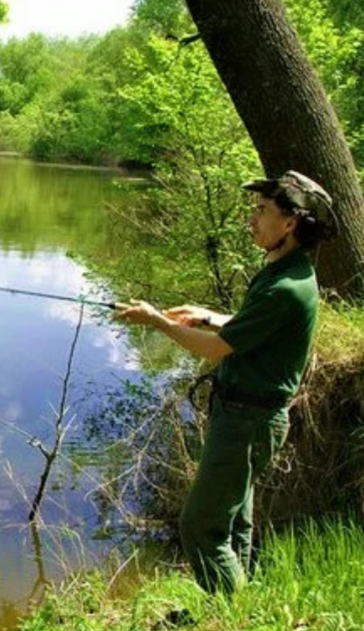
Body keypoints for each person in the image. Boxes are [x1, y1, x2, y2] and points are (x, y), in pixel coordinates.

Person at [113, 170, 335, 593]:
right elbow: (250, 329)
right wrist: (208, 316)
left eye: (262, 211)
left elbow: (216, 351)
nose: (251, 219)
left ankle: (231, 616)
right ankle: (238, 603)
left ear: (290, 223)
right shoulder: (284, 272)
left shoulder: (286, 286)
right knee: (233, 523)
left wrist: (156, 321)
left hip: (247, 422)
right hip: (245, 417)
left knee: (200, 526)